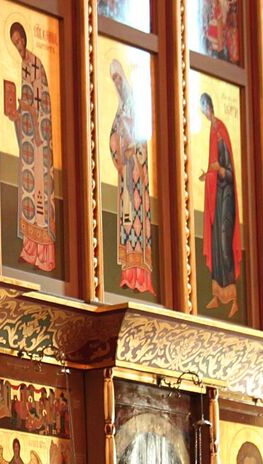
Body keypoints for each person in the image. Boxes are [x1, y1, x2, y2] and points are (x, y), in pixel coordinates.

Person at [4, 22, 57, 273]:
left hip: (39, 142)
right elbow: (26, 106)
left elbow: (40, 105)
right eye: (14, 42)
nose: (18, 45)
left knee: (39, 194)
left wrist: (32, 119)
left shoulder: (36, 65)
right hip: (28, 140)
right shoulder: (24, 66)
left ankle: (44, 256)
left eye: (20, 40)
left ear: (25, 38)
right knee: (28, 193)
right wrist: (16, 115)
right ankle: (29, 250)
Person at [109, 60, 155, 294]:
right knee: (127, 222)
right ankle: (129, 274)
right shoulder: (120, 109)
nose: (117, 83)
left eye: (119, 78)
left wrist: (132, 149)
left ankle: (142, 277)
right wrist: (118, 158)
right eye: (114, 80)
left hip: (137, 173)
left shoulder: (135, 106)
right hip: (125, 171)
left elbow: (141, 138)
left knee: (138, 220)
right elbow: (113, 136)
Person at [200, 93, 242, 317]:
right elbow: (214, 168)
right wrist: (208, 175)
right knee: (216, 243)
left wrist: (219, 170)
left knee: (225, 244)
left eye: (205, 107)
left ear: (210, 106)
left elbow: (229, 173)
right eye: (202, 109)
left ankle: (233, 299)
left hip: (227, 197)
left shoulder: (221, 130)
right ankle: (217, 294)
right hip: (217, 197)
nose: (204, 112)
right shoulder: (211, 130)